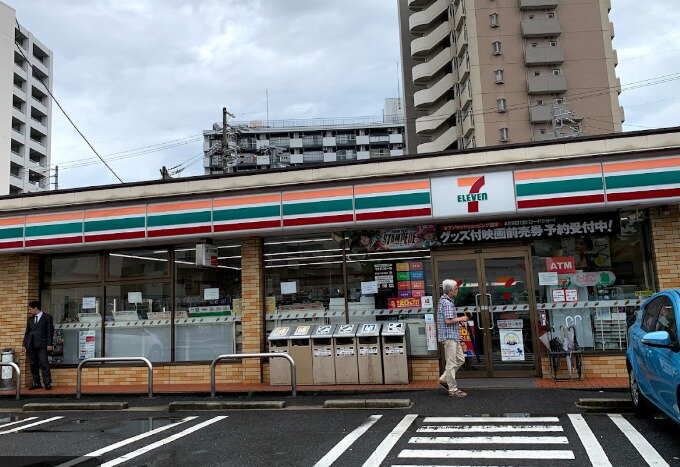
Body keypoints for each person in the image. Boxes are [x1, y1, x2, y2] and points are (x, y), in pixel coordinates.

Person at [437, 279, 470, 397]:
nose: (457, 290)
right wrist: (462, 319)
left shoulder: (448, 301)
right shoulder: (446, 303)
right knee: (451, 363)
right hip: (449, 336)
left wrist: (458, 321)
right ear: (450, 291)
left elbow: (449, 319)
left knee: (460, 359)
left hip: (453, 336)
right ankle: (453, 389)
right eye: (456, 289)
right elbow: (448, 321)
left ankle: (444, 379)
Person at [21, 300, 54, 390]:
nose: (29, 311)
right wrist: (24, 345)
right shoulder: (30, 319)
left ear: (35, 308)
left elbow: (50, 331)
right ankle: (37, 383)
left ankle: (47, 383)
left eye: (30, 309)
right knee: (33, 364)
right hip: (31, 345)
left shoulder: (47, 317)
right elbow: (27, 333)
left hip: (42, 344)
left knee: (44, 363)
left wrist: (49, 344)